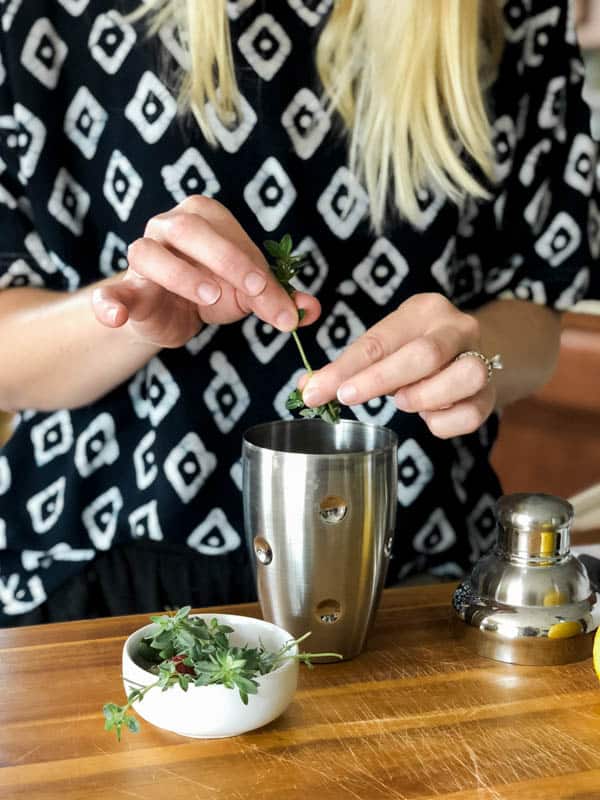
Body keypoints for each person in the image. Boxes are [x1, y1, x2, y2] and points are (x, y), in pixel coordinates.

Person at [0, 0, 597, 626]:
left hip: (407, 572)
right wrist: (128, 314)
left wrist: (471, 355)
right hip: (94, 572)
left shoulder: (509, 10)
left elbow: (536, 311)